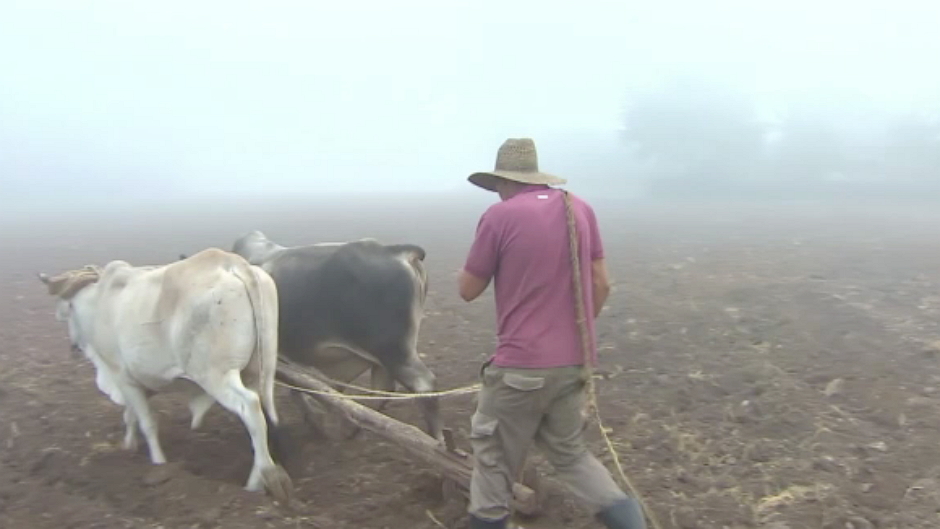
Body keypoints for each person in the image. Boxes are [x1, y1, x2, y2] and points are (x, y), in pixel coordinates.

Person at [458, 138, 647, 529]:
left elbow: (467, 290)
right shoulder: (578, 209)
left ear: (504, 183)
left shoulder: (500, 217)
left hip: (520, 367)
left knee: (493, 459)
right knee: (570, 453)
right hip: (572, 363)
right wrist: (572, 334)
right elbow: (602, 284)